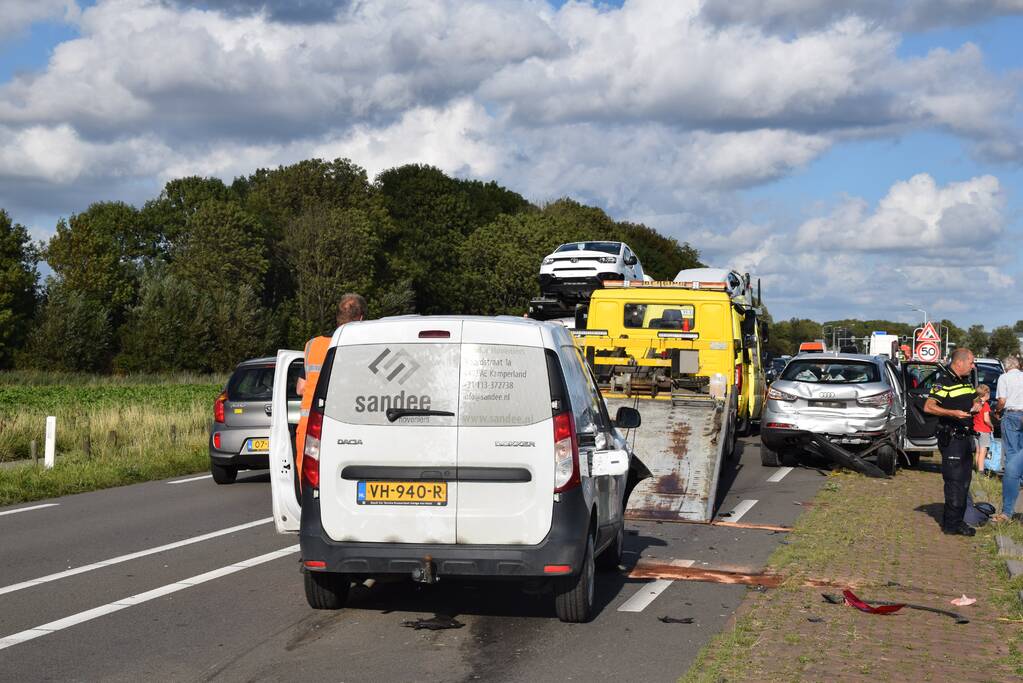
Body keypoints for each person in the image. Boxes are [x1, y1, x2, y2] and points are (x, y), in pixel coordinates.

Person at [295, 293, 368, 482]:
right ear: (360, 318)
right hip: (349, 428)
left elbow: (301, 389)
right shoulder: (363, 345)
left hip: (311, 427)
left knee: (311, 484)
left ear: (337, 317)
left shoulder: (313, 345)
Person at [923, 348, 979, 536]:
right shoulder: (943, 381)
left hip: (965, 438)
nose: (973, 366)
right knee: (954, 481)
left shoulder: (965, 381)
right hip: (952, 438)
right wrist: (952, 413)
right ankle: (950, 525)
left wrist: (977, 404)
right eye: (971, 363)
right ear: (959, 363)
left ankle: (959, 520)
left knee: (964, 481)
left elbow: (970, 400)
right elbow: (929, 406)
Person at [994, 355, 1023, 522]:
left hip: (1011, 415)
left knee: (1012, 455)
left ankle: (1015, 482)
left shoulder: (1003, 378)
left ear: (1005, 367)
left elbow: (1002, 401)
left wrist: (997, 412)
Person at [973, 385, 993, 474]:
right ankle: (981, 471)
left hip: (975, 429)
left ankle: (976, 468)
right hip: (984, 430)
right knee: (983, 451)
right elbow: (986, 419)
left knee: (977, 451)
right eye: (989, 393)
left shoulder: (975, 403)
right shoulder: (985, 405)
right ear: (985, 394)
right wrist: (991, 425)